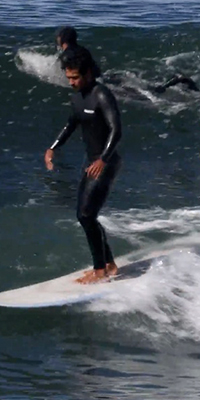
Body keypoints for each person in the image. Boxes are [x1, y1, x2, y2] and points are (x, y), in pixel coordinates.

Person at [44, 48, 122, 284]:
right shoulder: (77, 98)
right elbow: (71, 124)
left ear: (88, 73)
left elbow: (116, 130)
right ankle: (108, 264)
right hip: (91, 162)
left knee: (86, 215)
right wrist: (53, 147)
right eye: (68, 78)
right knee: (86, 216)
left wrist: (102, 159)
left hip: (105, 162)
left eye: (75, 78)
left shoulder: (102, 94)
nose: (71, 82)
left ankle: (100, 270)